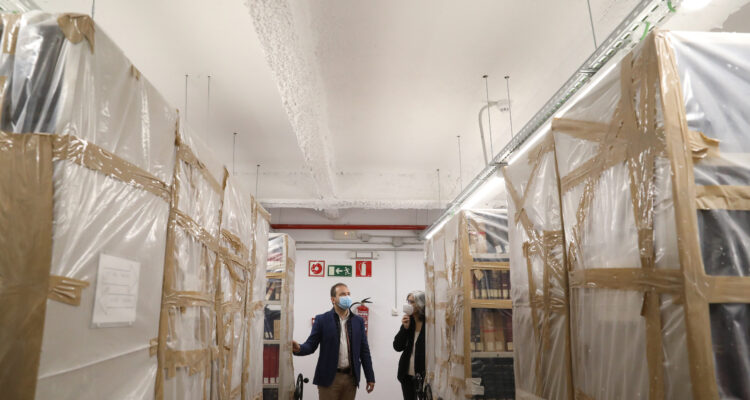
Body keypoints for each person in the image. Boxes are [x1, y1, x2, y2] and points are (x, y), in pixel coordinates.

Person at [293, 283, 375, 399]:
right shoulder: (322, 320)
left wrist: (370, 377)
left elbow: (364, 351)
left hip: (351, 379)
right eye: (342, 294)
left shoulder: (358, 321)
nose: (347, 297)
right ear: (333, 299)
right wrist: (299, 348)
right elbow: (311, 345)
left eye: (348, 294)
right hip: (329, 379)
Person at [393, 290, 426, 400]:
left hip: (423, 374)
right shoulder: (408, 321)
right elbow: (397, 347)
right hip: (406, 373)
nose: (409, 304)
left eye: (412, 302)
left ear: (421, 304)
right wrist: (405, 328)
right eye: (408, 301)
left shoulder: (429, 323)